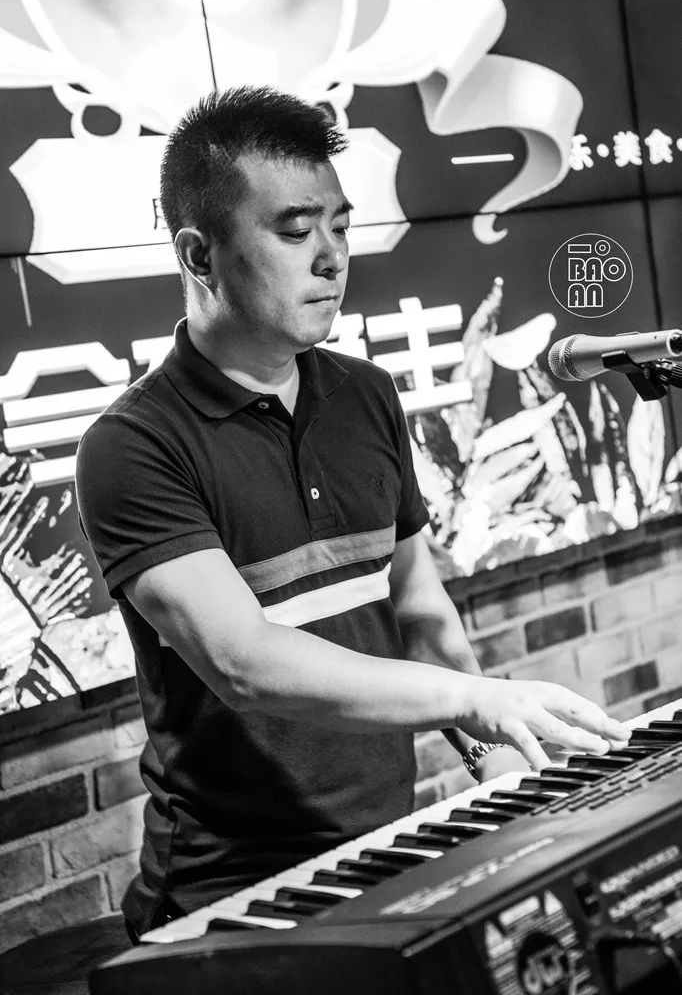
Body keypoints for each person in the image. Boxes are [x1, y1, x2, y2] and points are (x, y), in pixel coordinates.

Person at [76, 85, 630, 943]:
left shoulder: (366, 394)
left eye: (340, 225)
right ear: (198, 254)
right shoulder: (132, 445)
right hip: (229, 897)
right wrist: (474, 697)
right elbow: (245, 662)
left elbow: (417, 607)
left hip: (385, 852)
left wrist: (499, 761)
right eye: (296, 231)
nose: (333, 257)